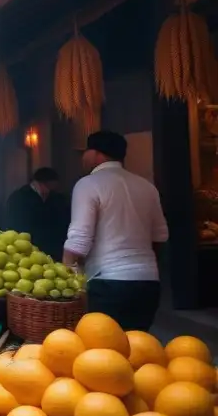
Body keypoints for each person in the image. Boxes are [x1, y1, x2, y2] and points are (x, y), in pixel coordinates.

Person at [64, 131, 168, 331]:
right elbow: (160, 237)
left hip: (108, 283)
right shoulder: (147, 186)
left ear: (97, 154)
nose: (83, 157)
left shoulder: (88, 184)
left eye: (85, 151)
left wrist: (66, 283)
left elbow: (78, 240)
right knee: (138, 347)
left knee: (106, 352)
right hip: (148, 282)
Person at [5, 167, 69, 260]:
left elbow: (63, 221)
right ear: (38, 183)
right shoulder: (19, 197)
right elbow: (14, 223)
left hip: (54, 249)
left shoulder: (57, 198)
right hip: (28, 248)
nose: (49, 191)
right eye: (48, 186)